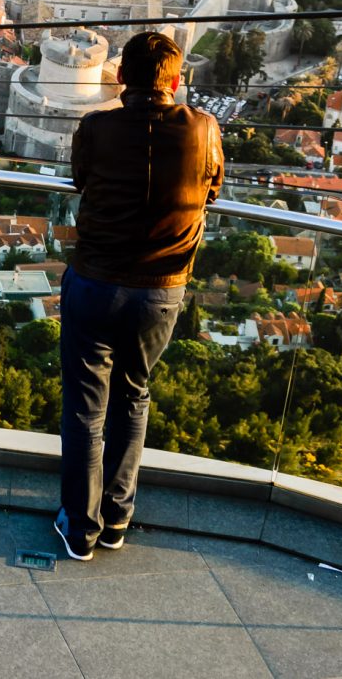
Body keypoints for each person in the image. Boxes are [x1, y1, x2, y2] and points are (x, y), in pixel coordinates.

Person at [55, 31, 223, 561]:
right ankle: (117, 520)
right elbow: (213, 187)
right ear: (176, 82)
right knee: (134, 396)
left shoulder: (97, 127)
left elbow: (81, 179)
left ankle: (81, 527)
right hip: (161, 290)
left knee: (86, 409)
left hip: (96, 281)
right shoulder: (203, 130)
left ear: (120, 77)